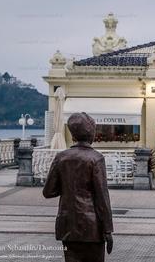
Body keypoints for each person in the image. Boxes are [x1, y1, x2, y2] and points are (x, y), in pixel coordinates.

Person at [43, 112, 113, 262]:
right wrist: (108, 229)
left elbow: (48, 191)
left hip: (68, 226)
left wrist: (68, 184)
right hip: (92, 228)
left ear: (73, 134)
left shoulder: (61, 157)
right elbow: (102, 197)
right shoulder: (96, 158)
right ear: (91, 133)